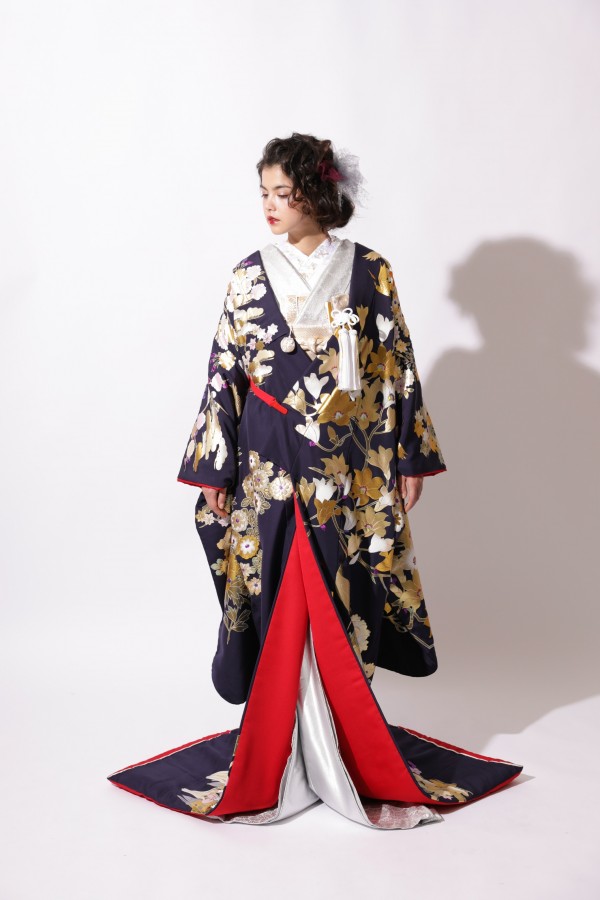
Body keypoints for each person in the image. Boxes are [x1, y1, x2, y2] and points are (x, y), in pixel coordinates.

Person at [107, 133, 522, 829]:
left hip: (347, 462)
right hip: (268, 458)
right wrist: (215, 465)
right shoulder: (247, 274)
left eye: (284, 193)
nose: (269, 205)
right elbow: (224, 369)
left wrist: (407, 456)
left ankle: (342, 743)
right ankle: (282, 746)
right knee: (278, 584)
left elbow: (396, 365)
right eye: (264, 193)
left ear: (317, 195)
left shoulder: (370, 271)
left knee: (341, 587)